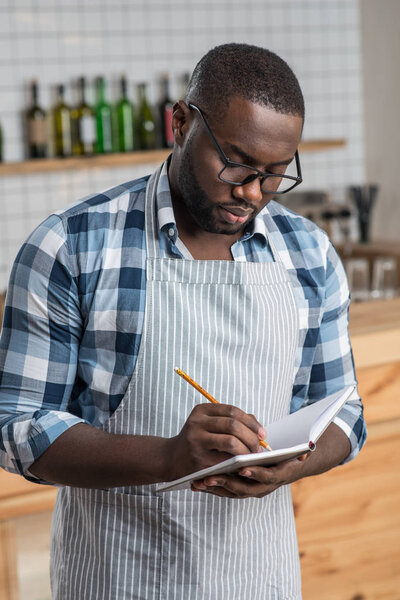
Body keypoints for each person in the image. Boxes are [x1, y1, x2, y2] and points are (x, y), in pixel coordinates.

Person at [0, 43, 366, 599]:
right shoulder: (71, 246)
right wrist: (171, 456)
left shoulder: (309, 254)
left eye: (273, 175)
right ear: (180, 123)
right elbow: (18, 429)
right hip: (116, 580)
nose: (251, 192)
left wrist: (290, 468)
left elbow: (347, 415)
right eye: (237, 163)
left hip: (259, 581)